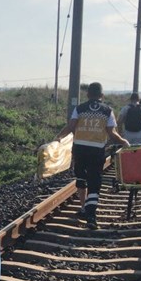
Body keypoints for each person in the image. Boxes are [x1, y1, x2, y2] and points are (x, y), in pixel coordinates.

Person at [54, 82, 130, 230]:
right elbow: (112, 133)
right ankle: (91, 217)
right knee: (94, 182)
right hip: (96, 151)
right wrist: (123, 141)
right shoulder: (107, 111)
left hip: (79, 149)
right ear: (102, 95)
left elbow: (70, 127)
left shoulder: (80, 108)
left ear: (88, 94)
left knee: (81, 178)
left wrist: (58, 137)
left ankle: (83, 207)